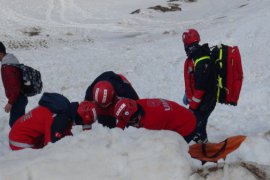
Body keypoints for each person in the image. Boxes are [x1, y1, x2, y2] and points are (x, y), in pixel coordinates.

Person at [9, 96, 97, 151]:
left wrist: (72, 140)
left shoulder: (65, 108)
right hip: (20, 141)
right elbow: (51, 147)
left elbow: (64, 130)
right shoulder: (61, 119)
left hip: (18, 131)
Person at [182, 29, 217, 143]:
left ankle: (181, 152)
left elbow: (201, 87)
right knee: (199, 127)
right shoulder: (197, 56)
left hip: (205, 102)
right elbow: (193, 80)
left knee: (191, 127)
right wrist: (187, 94)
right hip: (202, 102)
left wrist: (193, 106)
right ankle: (203, 144)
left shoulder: (202, 59)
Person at [114, 98, 197, 143]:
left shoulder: (151, 123)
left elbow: (154, 143)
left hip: (187, 127)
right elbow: (125, 117)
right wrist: (116, 134)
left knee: (175, 152)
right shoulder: (136, 104)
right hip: (183, 114)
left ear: (135, 118)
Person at [0, 41, 28, 127]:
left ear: (0, 53)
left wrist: (10, 103)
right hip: (20, 98)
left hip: (17, 99)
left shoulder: (8, 67)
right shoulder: (10, 61)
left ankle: (21, 139)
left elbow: (15, 88)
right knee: (17, 123)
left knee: (15, 125)